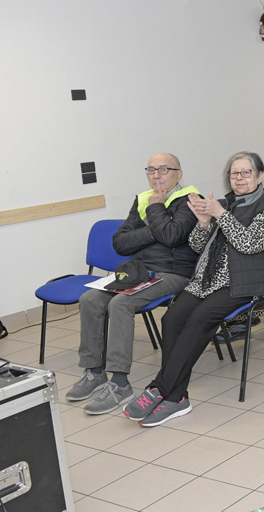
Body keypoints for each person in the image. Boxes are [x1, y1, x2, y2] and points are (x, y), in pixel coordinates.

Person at [124, 152, 264, 427]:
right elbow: (196, 245)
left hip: (245, 282)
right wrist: (204, 223)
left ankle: (160, 388)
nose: (238, 178)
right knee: (172, 319)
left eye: (245, 173)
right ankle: (177, 397)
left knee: (200, 320)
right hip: (208, 279)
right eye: (234, 173)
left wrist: (220, 214)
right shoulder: (226, 203)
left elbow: (249, 244)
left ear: (261, 176)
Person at [66, 153, 199, 415]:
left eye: (163, 169)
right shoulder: (141, 200)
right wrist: (154, 231)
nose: (156, 175)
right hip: (139, 271)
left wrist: (156, 210)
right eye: (151, 170)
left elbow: (172, 237)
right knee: (89, 300)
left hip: (173, 272)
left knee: (121, 303)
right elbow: (120, 243)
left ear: (178, 174)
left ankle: (120, 382)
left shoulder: (190, 200)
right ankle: (94, 372)